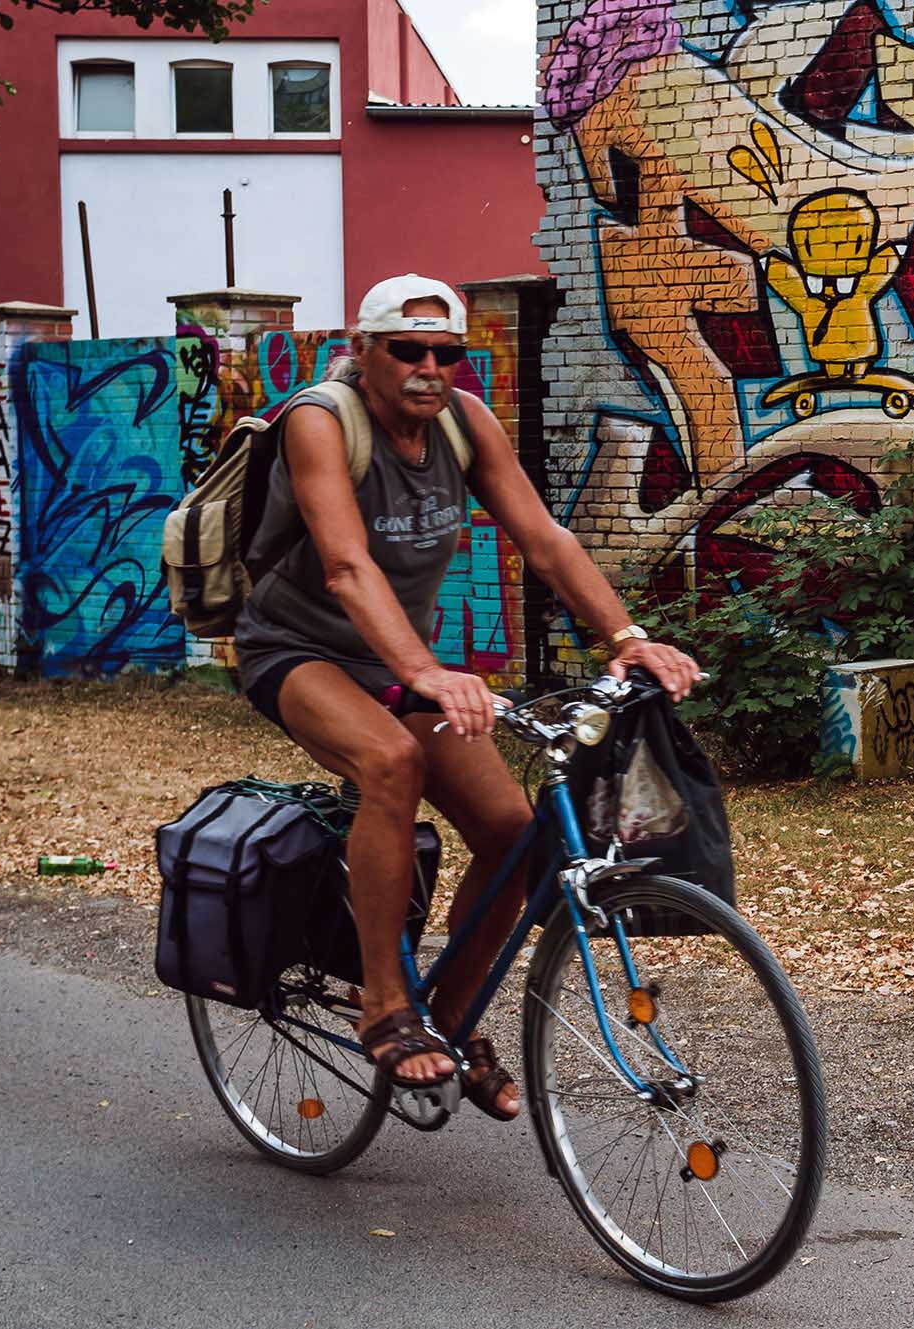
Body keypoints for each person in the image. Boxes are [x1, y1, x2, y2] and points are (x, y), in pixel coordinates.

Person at [233, 274, 699, 1119]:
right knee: (390, 759)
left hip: (397, 657)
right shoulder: (320, 421)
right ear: (365, 350)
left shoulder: (462, 423)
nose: (429, 368)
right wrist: (425, 672)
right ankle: (386, 1003)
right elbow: (345, 566)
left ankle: (452, 1017)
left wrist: (628, 639)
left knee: (514, 832)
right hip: (293, 650)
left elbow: (546, 540)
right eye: (407, 350)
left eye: (447, 353)